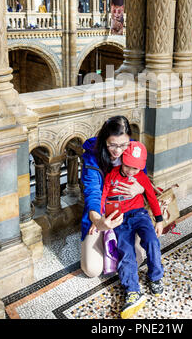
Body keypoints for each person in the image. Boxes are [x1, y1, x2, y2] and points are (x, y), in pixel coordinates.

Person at [98, 141, 164, 319]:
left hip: (140, 215)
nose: (131, 171)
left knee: (152, 241)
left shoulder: (140, 176)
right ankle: (132, 291)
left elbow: (151, 195)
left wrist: (159, 220)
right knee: (126, 252)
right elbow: (103, 196)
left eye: (136, 168)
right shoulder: (111, 176)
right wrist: (100, 218)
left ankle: (155, 276)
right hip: (120, 218)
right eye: (128, 166)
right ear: (122, 160)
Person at [80, 116, 145, 278]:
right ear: (104, 141)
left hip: (126, 213)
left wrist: (140, 189)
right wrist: (97, 221)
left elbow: (143, 180)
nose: (117, 151)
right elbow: (92, 193)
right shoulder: (92, 158)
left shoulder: (133, 152)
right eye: (112, 145)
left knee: (137, 259)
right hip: (100, 213)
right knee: (92, 269)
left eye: (123, 145)